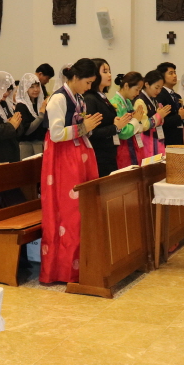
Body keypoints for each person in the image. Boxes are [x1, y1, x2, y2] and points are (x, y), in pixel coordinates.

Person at [39, 58, 101, 284]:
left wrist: (88, 127)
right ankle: (63, 269)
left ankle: (81, 265)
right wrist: (84, 127)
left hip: (79, 155)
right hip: (62, 159)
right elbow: (56, 134)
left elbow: (79, 128)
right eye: (87, 82)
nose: (89, 87)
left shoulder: (80, 97)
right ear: (75, 78)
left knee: (81, 211)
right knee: (67, 213)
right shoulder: (58, 98)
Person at [83, 58, 129, 177]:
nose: (109, 75)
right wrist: (115, 127)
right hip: (98, 154)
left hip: (108, 152)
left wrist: (117, 124)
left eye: (109, 71)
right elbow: (92, 132)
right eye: (105, 71)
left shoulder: (102, 96)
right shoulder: (90, 98)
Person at [109, 71, 145, 168]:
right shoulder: (115, 103)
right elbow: (123, 133)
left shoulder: (128, 102)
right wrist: (136, 120)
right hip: (122, 147)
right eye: (136, 89)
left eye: (139, 90)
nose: (137, 93)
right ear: (126, 86)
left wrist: (135, 118)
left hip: (131, 145)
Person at [134, 70, 170, 158]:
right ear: (146, 84)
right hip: (146, 141)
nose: (158, 91)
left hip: (155, 139)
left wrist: (161, 115)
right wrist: (159, 115)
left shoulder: (154, 99)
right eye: (156, 87)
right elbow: (143, 125)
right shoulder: (140, 100)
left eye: (161, 88)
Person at [155, 61, 184, 146]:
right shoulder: (160, 94)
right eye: (171, 73)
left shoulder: (177, 96)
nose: (175, 76)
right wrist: (179, 116)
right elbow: (162, 120)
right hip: (166, 139)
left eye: (175, 73)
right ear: (162, 76)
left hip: (178, 138)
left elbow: (182, 120)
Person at [15, 72, 48, 159]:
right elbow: (27, 130)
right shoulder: (21, 106)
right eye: (31, 87)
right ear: (25, 89)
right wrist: (41, 116)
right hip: (26, 147)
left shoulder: (40, 104)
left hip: (40, 144)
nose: (36, 89)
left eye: (37, 86)